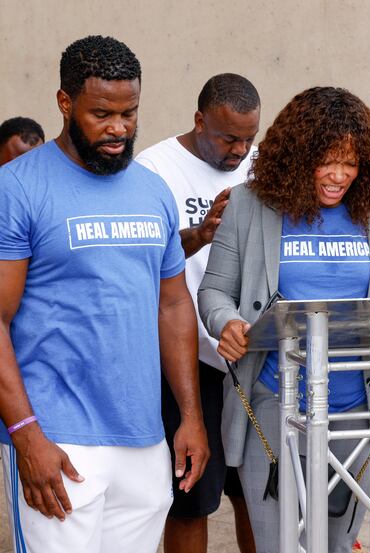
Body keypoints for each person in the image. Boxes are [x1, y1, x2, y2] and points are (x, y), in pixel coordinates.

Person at [198, 86, 370, 553]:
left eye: (350, 164)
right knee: (278, 544)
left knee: (338, 544)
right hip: (276, 405)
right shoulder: (250, 206)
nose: (338, 176)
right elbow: (213, 290)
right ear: (295, 156)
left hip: (360, 408)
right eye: (326, 162)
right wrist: (225, 322)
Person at [0, 35, 208, 553]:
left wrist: (190, 417)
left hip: (143, 437)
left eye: (130, 113)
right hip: (59, 440)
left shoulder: (151, 189)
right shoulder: (18, 187)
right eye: (101, 114)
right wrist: (27, 436)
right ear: (65, 103)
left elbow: (174, 304)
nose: (119, 129)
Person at [136, 73, 259, 553]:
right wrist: (201, 233)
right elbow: (147, 262)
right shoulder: (156, 169)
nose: (240, 150)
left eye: (249, 138)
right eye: (229, 138)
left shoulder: (260, 167)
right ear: (199, 120)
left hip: (251, 353)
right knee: (191, 495)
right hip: (190, 359)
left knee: (256, 489)